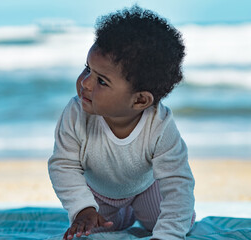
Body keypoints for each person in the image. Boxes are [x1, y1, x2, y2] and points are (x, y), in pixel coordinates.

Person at [48, 5, 195, 240]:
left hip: (146, 189)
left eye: (101, 81)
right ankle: (122, 215)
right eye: (87, 69)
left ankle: (138, 212)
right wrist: (82, 208)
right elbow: (63, 165)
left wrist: (167, 236)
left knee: (178, 222)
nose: (85, 83)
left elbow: (177, 182)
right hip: (97, 194)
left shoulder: (160, 124)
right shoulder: (76, 113)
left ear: (140, 100)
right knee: (90, 232)